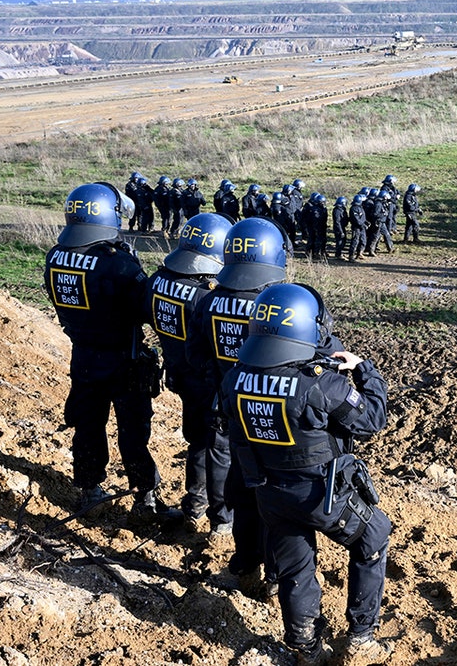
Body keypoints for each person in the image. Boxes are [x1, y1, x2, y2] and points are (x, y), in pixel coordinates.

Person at [220, 283, 392, 666]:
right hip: (322, 495)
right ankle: (361, 637)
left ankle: (306, 648)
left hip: (270, 494)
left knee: (297, 570)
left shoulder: (235, 378)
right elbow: (373, 420)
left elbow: (236, 438)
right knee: (374, 537)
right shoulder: (320, 383)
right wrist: (363, 369)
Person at [43, 182, 180, 524]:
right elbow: (145, 308)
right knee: (133, 431)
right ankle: (145, 496)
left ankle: (90, 490)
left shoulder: (56, 255)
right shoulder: (117, 263)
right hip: (123, 359)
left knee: (88, 425)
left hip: (84, 356)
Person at [187, 217, 291, 600]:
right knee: (277, 497)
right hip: (274, 413)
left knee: (243, 489)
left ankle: (245, 564)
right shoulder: (279, 305)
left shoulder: (208, 300)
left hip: (230, 409)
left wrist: (223, 383)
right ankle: (276, 575)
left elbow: (194, 355)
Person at [146, 212, 235, 534]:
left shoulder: (159, 280)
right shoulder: (207, 294)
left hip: (179, 375)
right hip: (209, 381)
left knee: (197, 442)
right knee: (220, 449)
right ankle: (222, 520)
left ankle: (194, 506)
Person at [299, 193, 328, 259]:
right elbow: (314, 219)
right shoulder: (314, 209)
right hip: (314, 226)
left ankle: (321, 251)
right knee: (313, 240)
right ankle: (312, 252)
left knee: (322, 239)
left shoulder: (322, 208)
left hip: (322, 226)